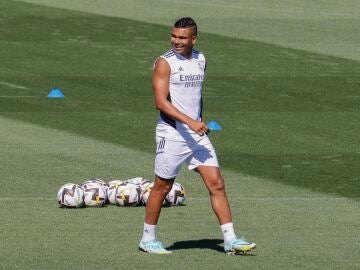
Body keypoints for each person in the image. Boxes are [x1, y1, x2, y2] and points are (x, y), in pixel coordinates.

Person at [139, 17, 256, 255]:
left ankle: (230, 239)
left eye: (182, 38)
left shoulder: (201, 59)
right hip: (172, 132)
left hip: (196, 134)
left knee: (217, 184)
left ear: (194, 39)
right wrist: (191, 122)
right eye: (174, 36)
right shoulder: (164, 63)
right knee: (162, 187)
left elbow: (194, 97)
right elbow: (160, 102)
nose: (176, 41)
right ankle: (147, 239)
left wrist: (196, 123)